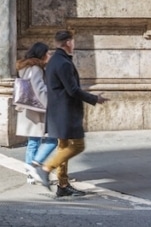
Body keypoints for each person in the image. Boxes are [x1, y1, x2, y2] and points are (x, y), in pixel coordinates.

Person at [31, 30, 109, 197]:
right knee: (78, 145)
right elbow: (72, 90)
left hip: (56, 111)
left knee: (63, 147)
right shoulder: (64, 63)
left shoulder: (53, 62)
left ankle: (63, 185)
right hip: (65, 112)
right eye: (72, 41)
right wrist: (95, 98)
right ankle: (46, 169)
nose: (73, 44)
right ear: (68, 42)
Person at [15, 42, 56, 184]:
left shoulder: (24, 67)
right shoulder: (36, 68)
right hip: (36, 110)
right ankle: (33, 168)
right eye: (48, 53)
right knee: (45, 140)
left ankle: (30, 173)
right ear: (42, 54)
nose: (49, 55)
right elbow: (39, 89)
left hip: (27, 109)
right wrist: (49, 106)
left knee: (33, 141)